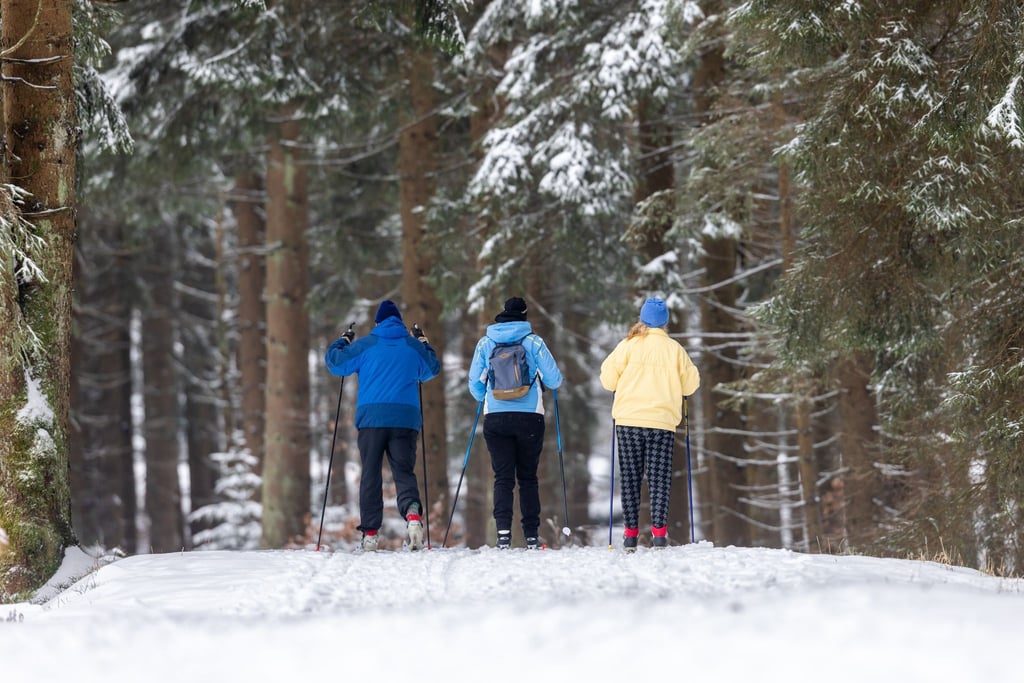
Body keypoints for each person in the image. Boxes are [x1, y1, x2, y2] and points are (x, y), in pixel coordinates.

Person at [324, 300, 441, 552]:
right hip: (405, 420)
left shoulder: (366, 344)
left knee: (371, 474)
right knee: (403, 472)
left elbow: (335, 363)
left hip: (372, 420)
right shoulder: (411, 345)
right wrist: (422, 341)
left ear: (377, 323)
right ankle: (412, 516)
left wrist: (344, 340)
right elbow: (432, 368)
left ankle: (369, 534)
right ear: (399, 322)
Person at [599, 296, 700, 551]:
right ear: (665, 322)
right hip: (661, 423)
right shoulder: (674, 349)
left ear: (642, 319)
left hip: (628, 421)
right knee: (659, 479)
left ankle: (631, 535)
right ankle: (659, 535)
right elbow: (691, 385)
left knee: (630, 478)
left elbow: (608, 380)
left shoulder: (627, 345)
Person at [468, 297, 564, 550]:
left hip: (496, 418)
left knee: (502, 478)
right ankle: (531, 535)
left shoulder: (486, 343)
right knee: (528, 478)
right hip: (530, 416)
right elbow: (554, 380)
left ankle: (502, 535)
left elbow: (474, 385)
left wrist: (489, 397)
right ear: (524, 315)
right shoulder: (534, 342)